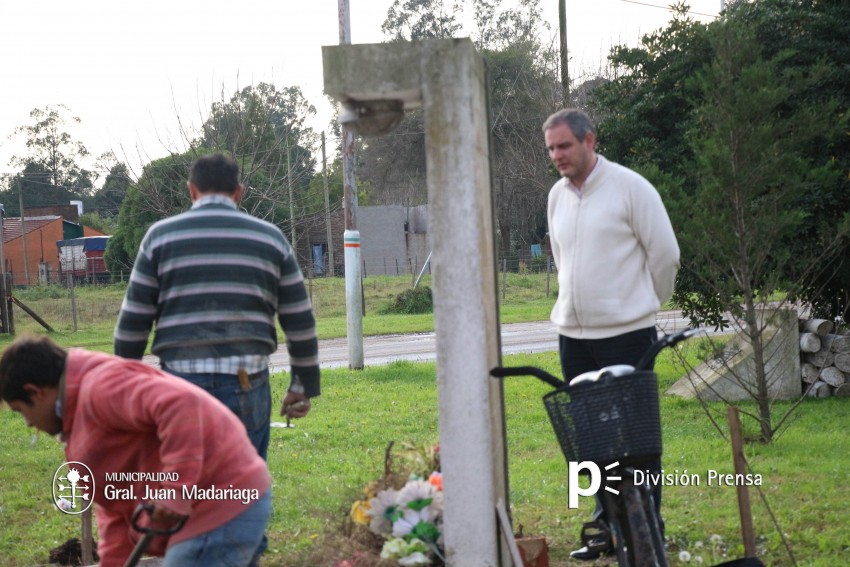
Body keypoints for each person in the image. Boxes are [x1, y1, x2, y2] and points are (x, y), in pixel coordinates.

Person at [114, 152, 320, 461]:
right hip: (246, 384)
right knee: (243, 481)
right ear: (239, 193)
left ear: (191, 190)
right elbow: (300, 321)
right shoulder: (271, 240)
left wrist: (124, 389)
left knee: (183, 481)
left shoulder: (159, 238)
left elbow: (133, 324)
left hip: (178, 385)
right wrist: (302, 385)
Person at [0, 335, 272, 567]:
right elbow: (115, 512)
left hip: (221, 499)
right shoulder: (78, 423)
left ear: (35, 393)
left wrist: (176, 490)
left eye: (20, 411)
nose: (28, 423)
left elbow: (181, 406)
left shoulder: (101, 387)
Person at [543, 108, 680, 560]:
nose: (557, 155)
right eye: (551, 149)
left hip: (628, 335)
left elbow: (665, 255)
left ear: (590, 141)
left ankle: (648, 529)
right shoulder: (556, 197)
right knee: (590, 441)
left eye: (564, 145)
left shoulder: (631, 188)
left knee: (636, 442)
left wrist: (641, 305)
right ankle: (606, 528)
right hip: (573, 338)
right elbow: (562, 259)